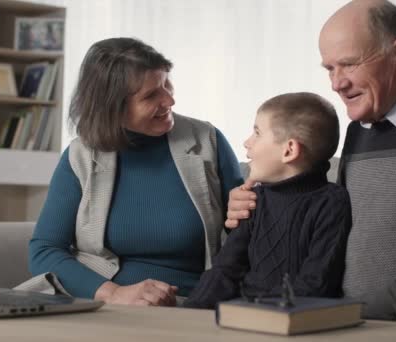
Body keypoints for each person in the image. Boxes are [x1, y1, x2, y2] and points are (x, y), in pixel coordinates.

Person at [226, 0, 396, 324]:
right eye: (329, 68)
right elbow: (323, 220)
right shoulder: (359, 128)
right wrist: (251, 208)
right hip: (353, 324)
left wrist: (349, 318)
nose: (336, 83)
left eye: (349, 64)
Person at [28, 37, 243, 306]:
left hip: (188, 304)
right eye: (151, 95)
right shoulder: (80, 156)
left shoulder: (207, 141)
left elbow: (246, 236)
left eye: (167, 84)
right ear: (112, 107)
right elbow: (45, 250)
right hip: (102, 304)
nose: (170, 100)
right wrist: (114, 293)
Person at [183, 92, 352, 309]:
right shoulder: (256, 199)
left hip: (291, 317)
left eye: (257, 133)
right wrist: (190, 312)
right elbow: (225, 270)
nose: (247, 143)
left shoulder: (331, 203)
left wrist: (260, 311)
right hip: (242, 313)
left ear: (289, 150)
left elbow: (317, 283)